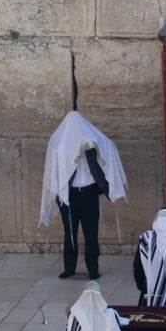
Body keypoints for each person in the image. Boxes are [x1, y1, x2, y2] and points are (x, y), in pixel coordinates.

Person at [39, 111, 128, 280]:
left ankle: (93, 270)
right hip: (70, 195)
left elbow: (107, 146)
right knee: (70, 232)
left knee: (91, 233)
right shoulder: (60, 143)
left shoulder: (91, 142)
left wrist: (90, 147)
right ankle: (69, 268)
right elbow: (55, 164)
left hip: (89, 193)